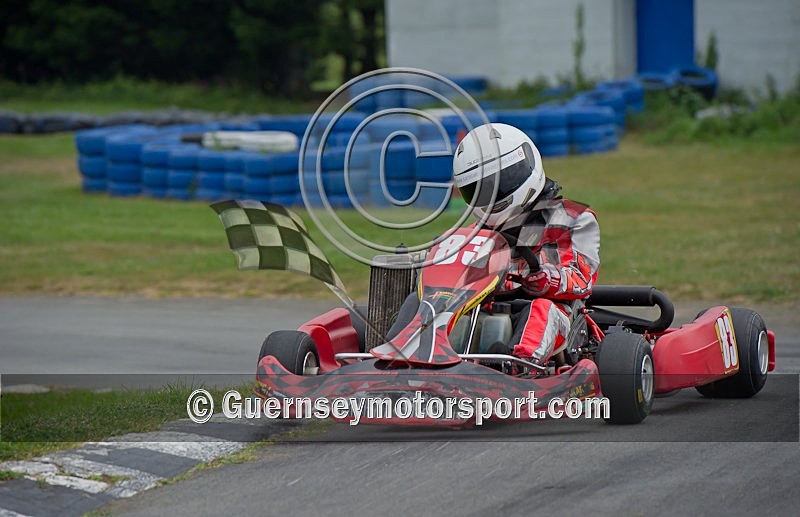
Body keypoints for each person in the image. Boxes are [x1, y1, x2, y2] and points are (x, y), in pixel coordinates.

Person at [452, 123, 601, 365]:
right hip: (483, 309)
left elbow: (581, 279)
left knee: (541, 310)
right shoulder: (475, 234)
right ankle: (407, 359)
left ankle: (518, 367)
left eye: (500, 183)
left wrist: (544, 277)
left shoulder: (573, 218)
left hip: (554, 312)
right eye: (479, 190)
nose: (492, 195)